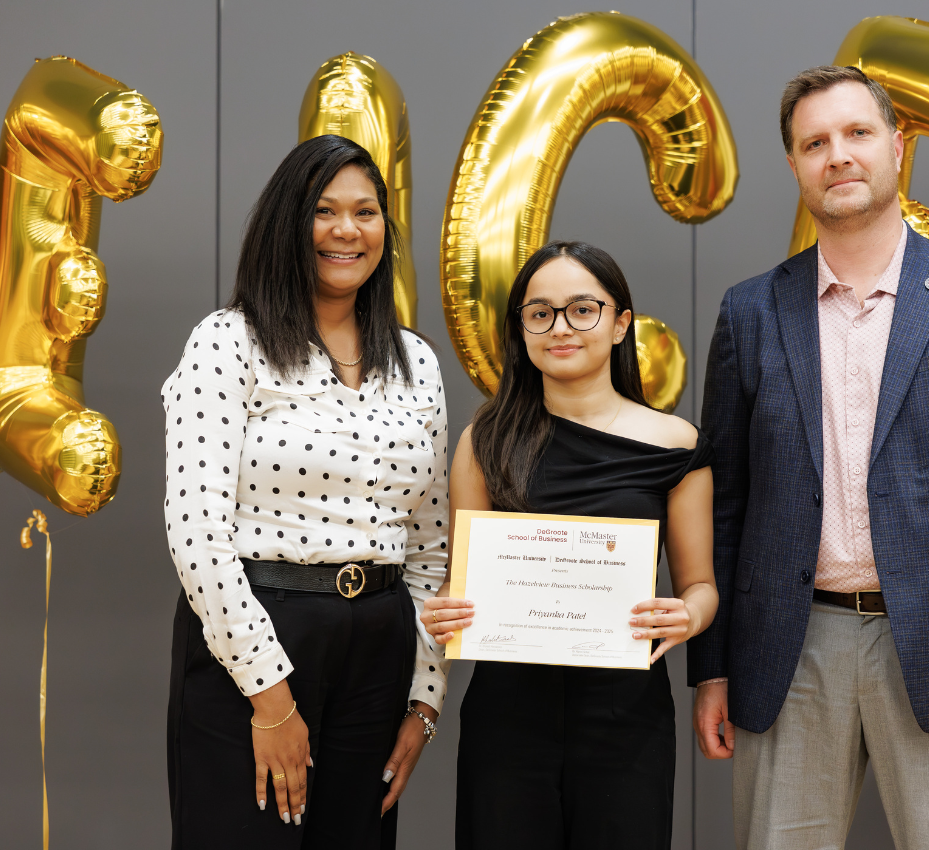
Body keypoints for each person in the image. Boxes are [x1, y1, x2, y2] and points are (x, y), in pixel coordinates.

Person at [688, 66, 929, 850]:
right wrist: (713, 666)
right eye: (815, 143)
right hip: (789, 650)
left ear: (896, 146)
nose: (838, 155)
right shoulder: (750, 311)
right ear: (795, 166)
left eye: (857, 133)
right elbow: (724, 503)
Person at [162, 134, 448, 849]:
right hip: (256, 638)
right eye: (324, 210)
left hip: (381, 647)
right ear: (288, 221)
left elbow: (431, 547)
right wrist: (271, 700)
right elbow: (197, 536)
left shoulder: (415, 361)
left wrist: (424, 699)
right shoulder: (228, 341)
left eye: (365, 212)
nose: (347, 230)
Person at [423, 241, 718, 850]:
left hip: (625, 712)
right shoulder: (484, 440)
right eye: (540, 313)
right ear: (521, 329)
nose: (561, 328)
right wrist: (447, 608)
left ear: (620, 324)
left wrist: (688, 615)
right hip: (507, 711)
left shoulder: (676, 445)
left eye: (583, 310)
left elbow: (701, 586)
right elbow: (460, 578)